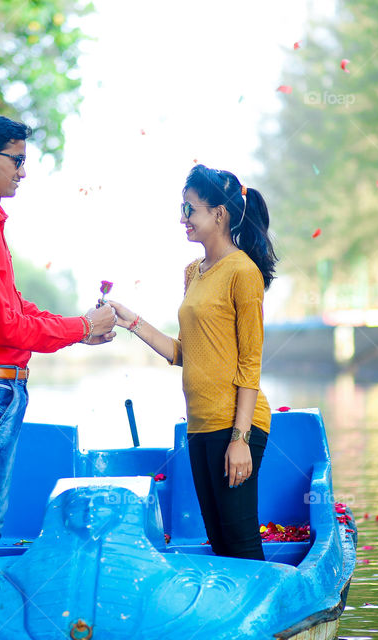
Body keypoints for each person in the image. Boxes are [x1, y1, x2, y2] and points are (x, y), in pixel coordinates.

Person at [0, 111, 116, 561]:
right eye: (15, 160)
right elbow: (4, 325)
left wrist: (80, 330)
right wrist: (80, 328)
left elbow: (15, 309)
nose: (23, 170)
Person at [109, 164, 278, 560]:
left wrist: (240, 440)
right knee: (220, 545)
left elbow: (250, 362)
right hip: (200, 425)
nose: (182, 218)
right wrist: (128, 318)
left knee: (241, 545)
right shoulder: (193, 272)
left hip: (235, 424)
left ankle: (265, 622)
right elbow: (182, 352)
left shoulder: (243, 272)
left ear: (219, 214)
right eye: (182, 208)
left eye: (190, 209)